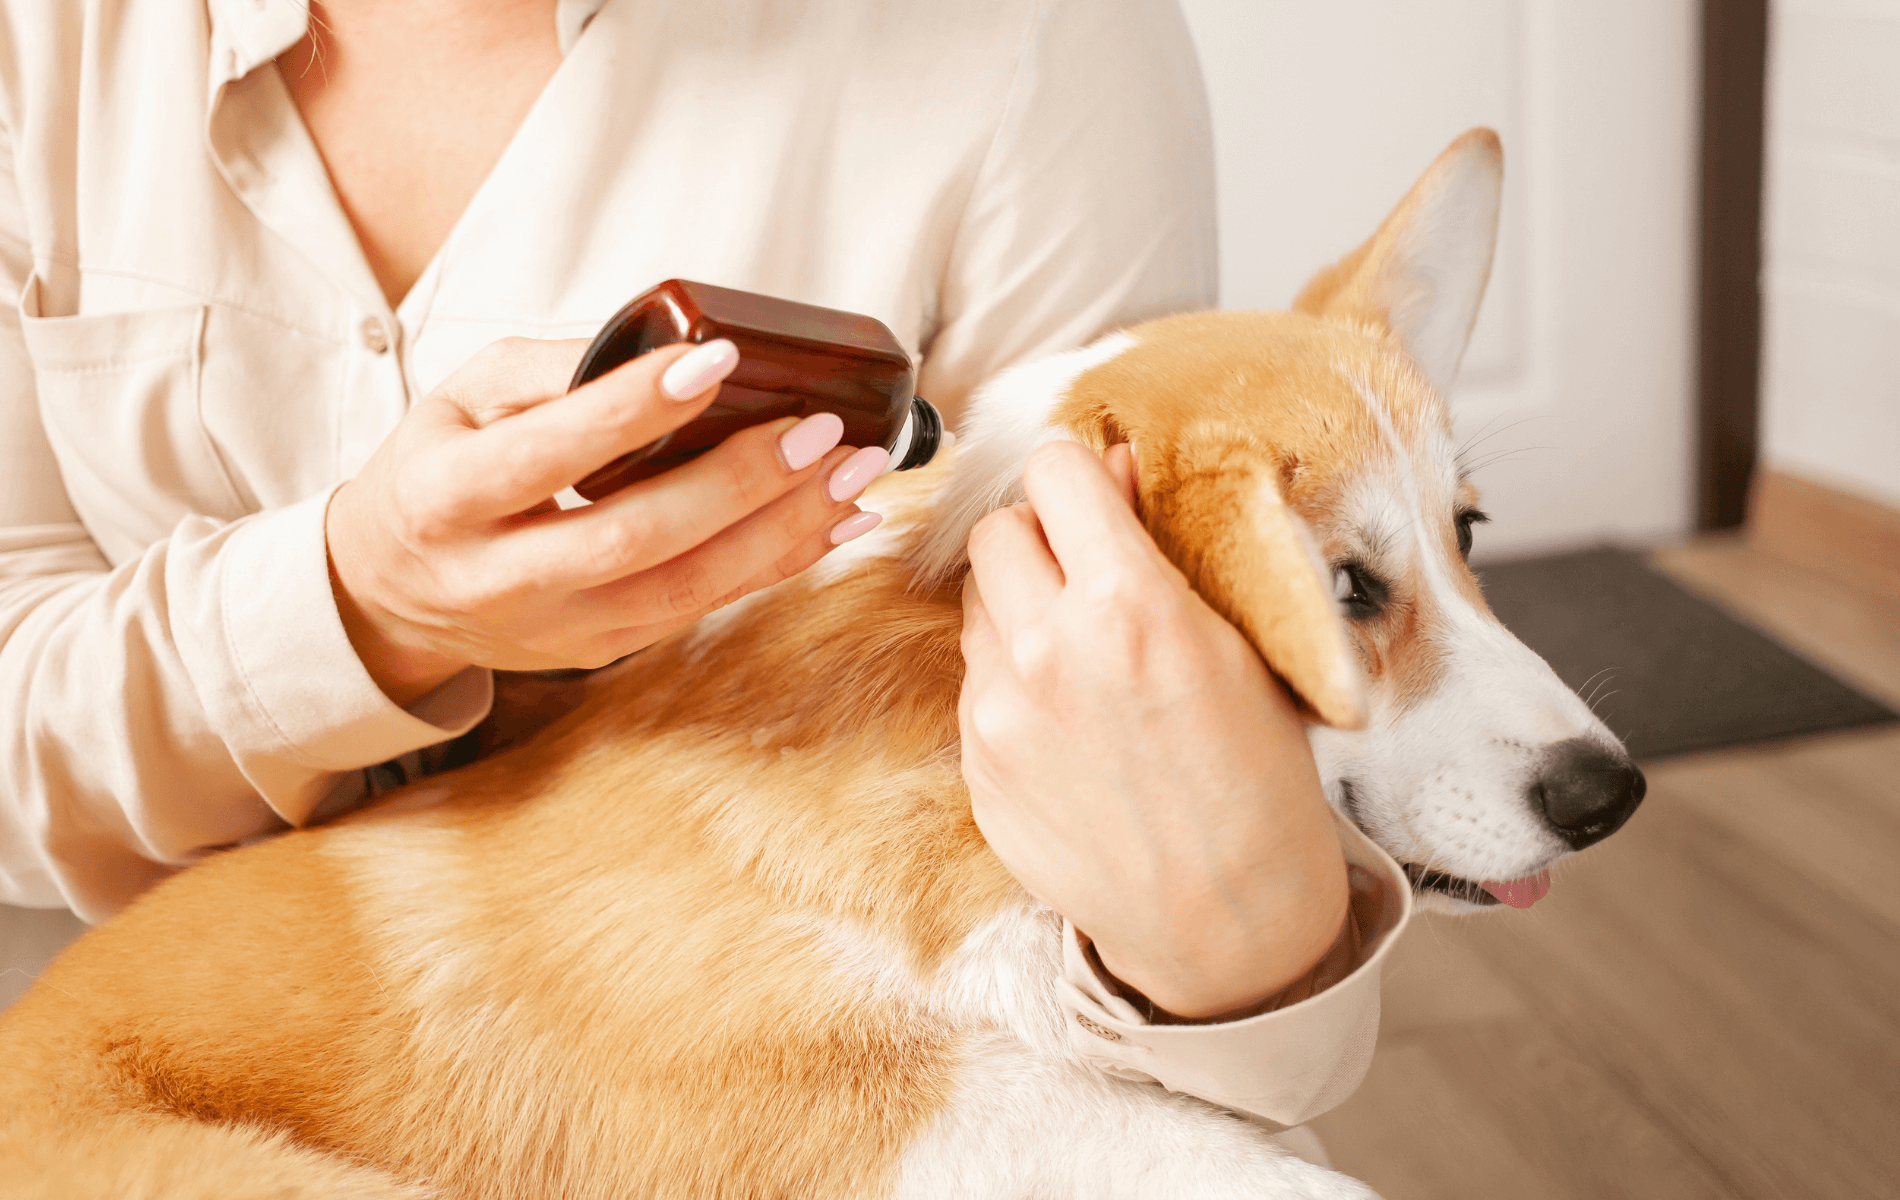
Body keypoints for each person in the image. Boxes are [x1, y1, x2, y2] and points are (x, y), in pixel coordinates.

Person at [0, 0, 1408, 1132]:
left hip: (829, 1077)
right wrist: (355, 604)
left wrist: (1256, 941)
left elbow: (1219, 911)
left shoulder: (1035, 42)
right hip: (194, 1073)